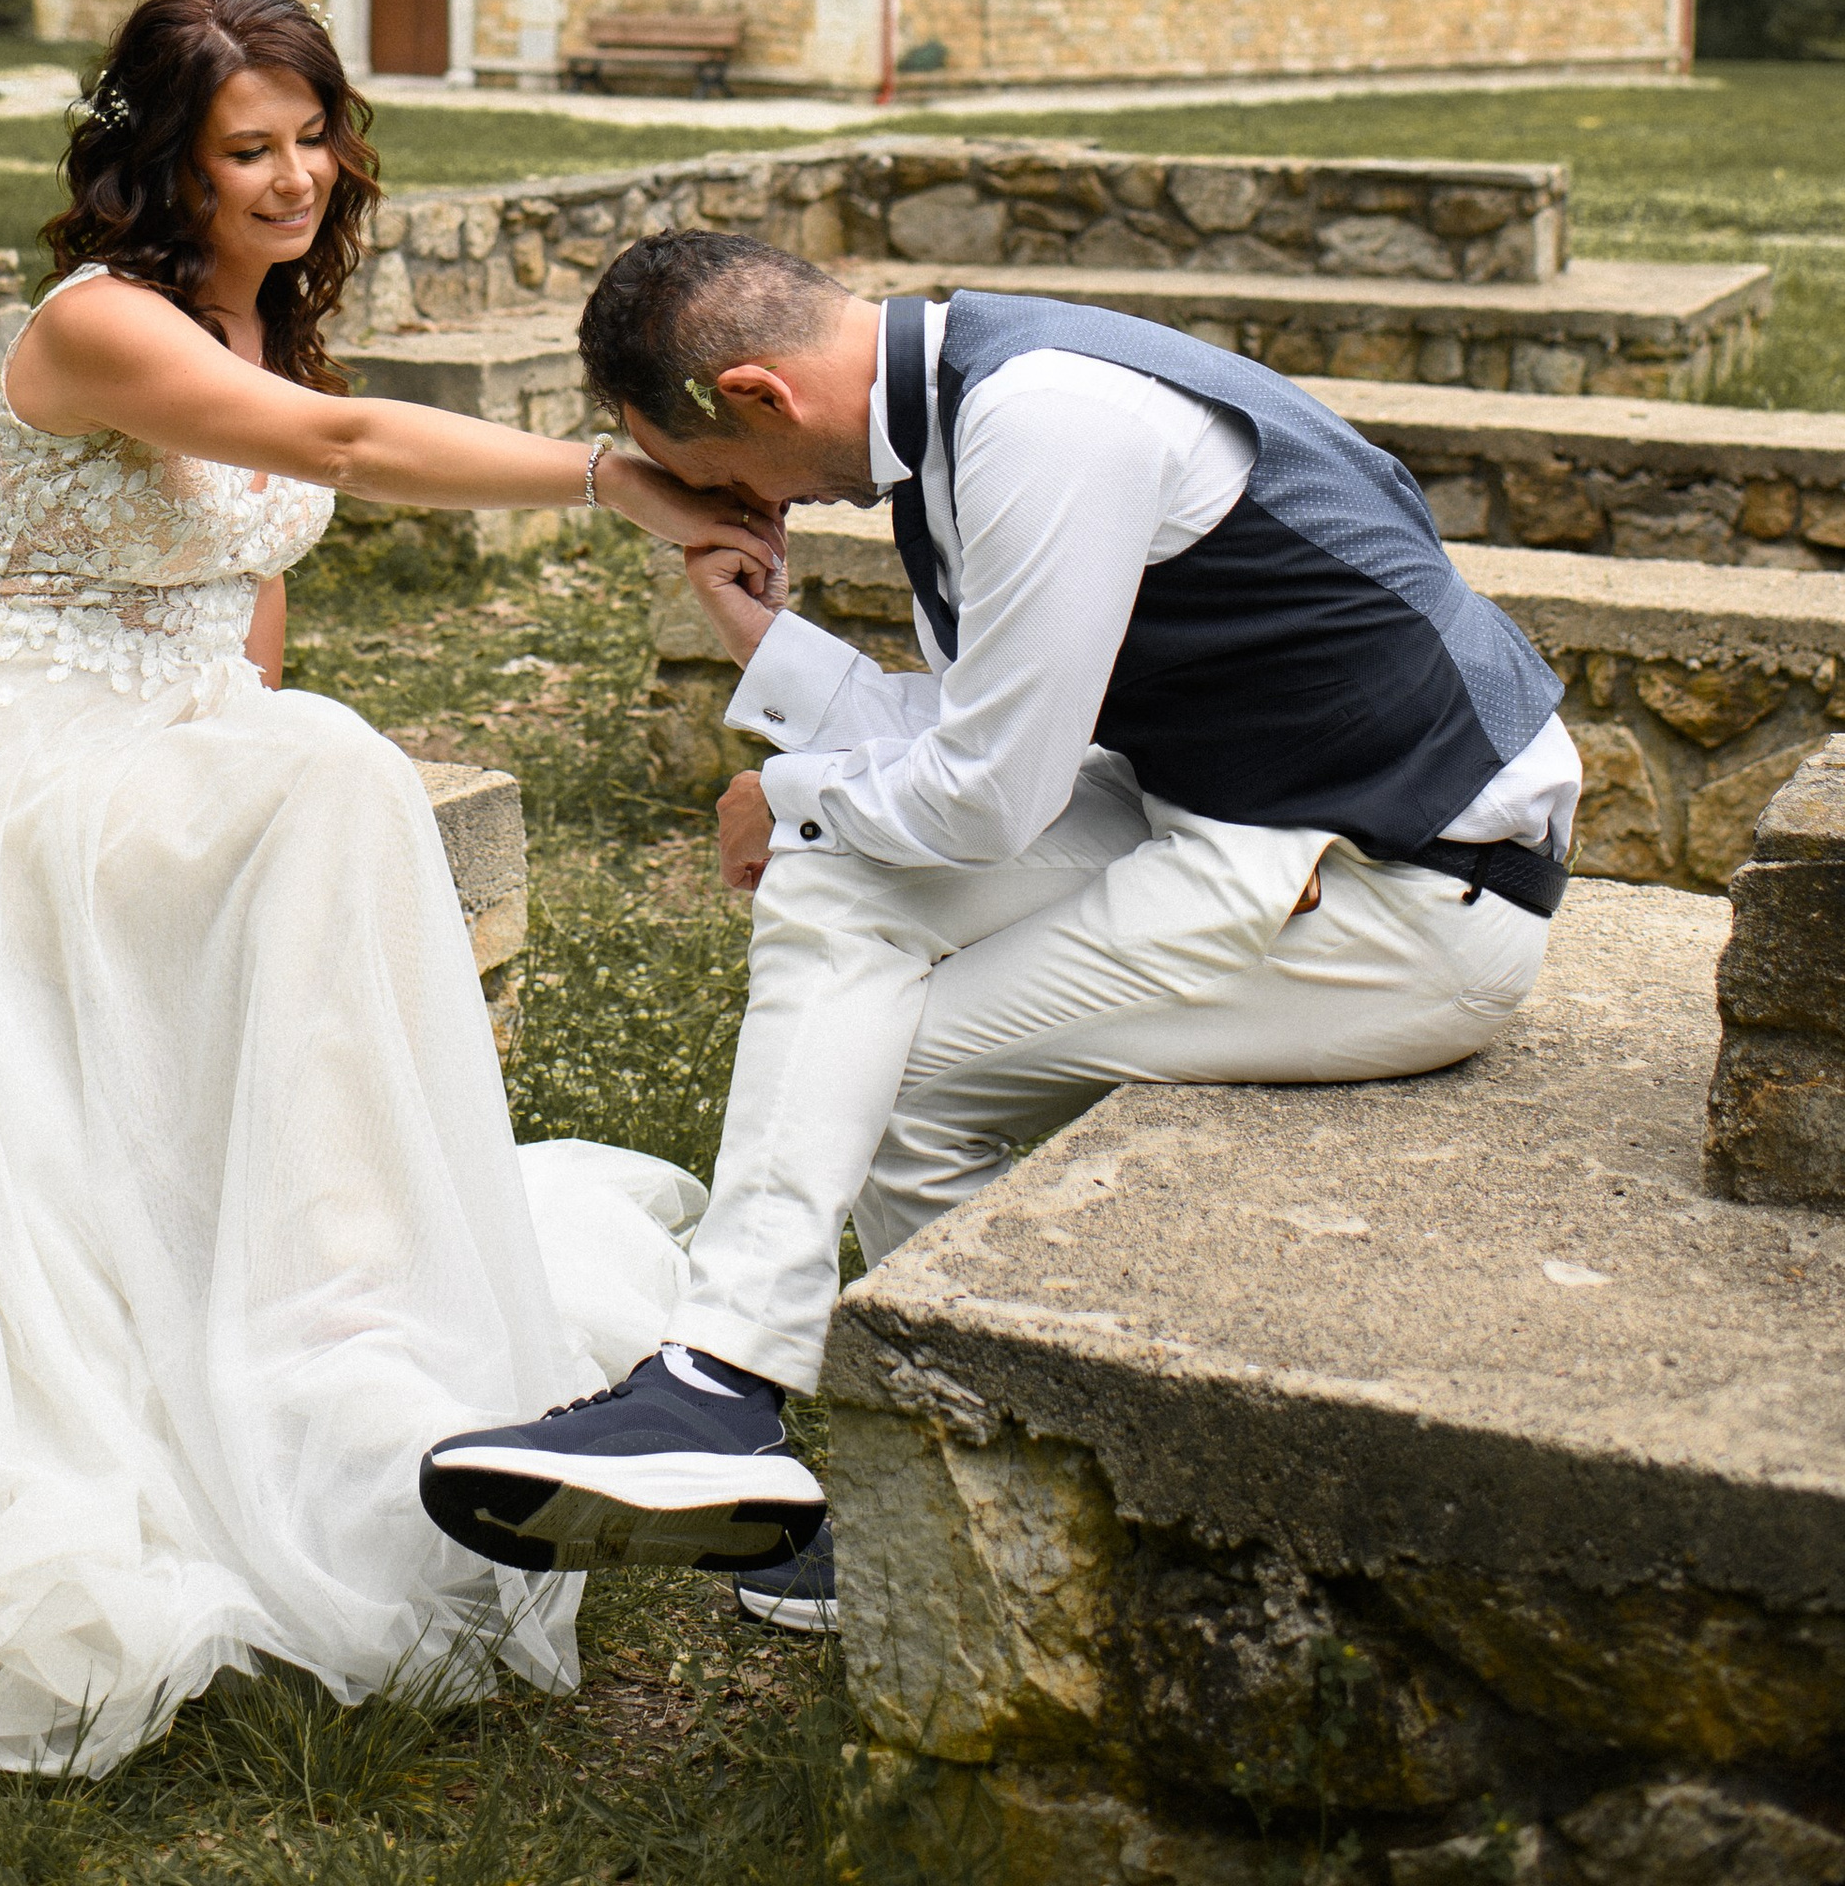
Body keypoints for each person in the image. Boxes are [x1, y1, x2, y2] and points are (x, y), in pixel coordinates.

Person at [0, 0, 776, 1771]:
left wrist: (235, 732)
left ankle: (350, 1328)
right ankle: (323, 1355)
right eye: (245, 153)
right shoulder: (99, 324)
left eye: (312, 139)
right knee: (339, 777)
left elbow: (245, 583)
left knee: (318, 771)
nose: (294, 180)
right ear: (161, 173)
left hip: (161, 722)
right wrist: (623, 481)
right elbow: (336, 458)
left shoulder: (256, 319)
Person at [421, 232, 1575, 1630]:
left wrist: (785, 794)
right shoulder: (966, 402)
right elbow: (1000, 744)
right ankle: (719, 1390)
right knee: (838, 880)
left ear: (761, 397)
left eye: (721, 479)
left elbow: (990, 798)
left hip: (1406, 881)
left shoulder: (1043, 422)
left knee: (897, 1074)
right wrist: (771, 660)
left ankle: (978, 1543)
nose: (742, 511)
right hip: (1242, 817)